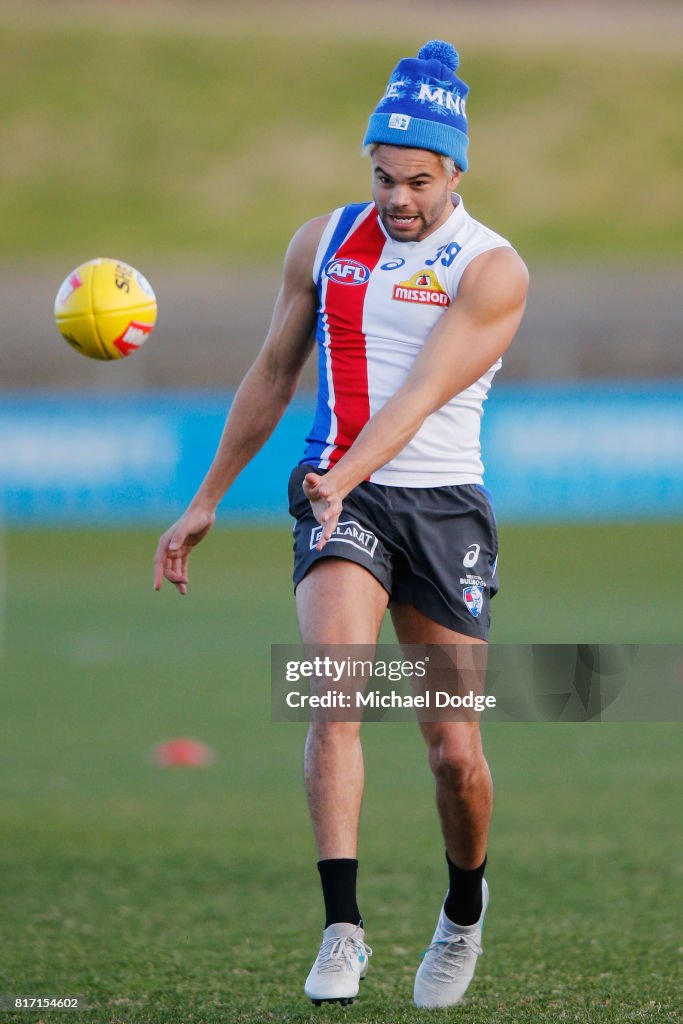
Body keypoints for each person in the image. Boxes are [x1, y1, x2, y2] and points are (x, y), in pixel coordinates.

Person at [154, 39, 528, 1009]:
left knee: (453, 752)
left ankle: (459, 911)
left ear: (455, 172)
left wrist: (350, 465)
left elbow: (417, 393)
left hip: (442, 507)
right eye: (382, 176)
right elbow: (274, 372)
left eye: (416, 180)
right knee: (334, 693)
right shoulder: (322, 243)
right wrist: (205, 499)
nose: (396, 197)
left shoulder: (490, 270)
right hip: (341, 501)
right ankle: (341, 927)